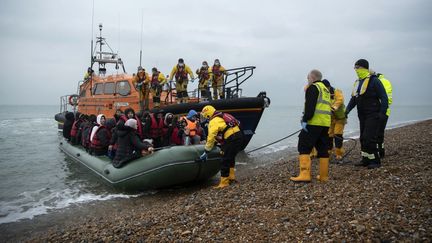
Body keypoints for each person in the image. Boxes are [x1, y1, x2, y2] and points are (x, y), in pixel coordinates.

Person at [345, 59, 388, 169]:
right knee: (363, 138)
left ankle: (375, 161)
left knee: (369, 137)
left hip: (373, 114)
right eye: (355, 68)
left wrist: (382, 113)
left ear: (364, 68)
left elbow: (384, 97)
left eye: (357, 67)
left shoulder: (374, 81)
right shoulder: (358, 82)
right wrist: (346, 111)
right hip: (362, 115)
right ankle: (365, 159)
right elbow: (353, 99)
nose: (356, 70)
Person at [290, 69, 331, 183]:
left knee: (303, 145)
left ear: (312, 78)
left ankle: (304, 174)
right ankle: (324, 176)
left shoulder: (313, 88)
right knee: (322, 148)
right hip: (325, 123)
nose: (307, 80)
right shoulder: (325, 90)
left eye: (308, 78)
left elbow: (310, 107)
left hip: (314, 122)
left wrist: (305, 119)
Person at [200, 105, 243, 189]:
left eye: (205, 116)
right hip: (239, 136)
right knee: (231, 157)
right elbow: (238, 124)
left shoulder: (213, 121)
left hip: (231, 138)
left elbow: (211, 136)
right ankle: (231, 177)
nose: (205, 118)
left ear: (208, 115)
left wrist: (206, 150)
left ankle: (224, 182)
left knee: (224, 159)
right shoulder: (224, 115)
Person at [322, 79, 347, 160]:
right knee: (329, 135)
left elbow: (340, 100)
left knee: (337, 134)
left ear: (328, 86)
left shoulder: (337, 91)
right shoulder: (323, 94)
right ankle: (328, 152)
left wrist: (333, 108)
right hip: (330, 119)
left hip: (340, 118)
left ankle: (339, 153)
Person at [372, 71, 393, 158]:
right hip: (384, 111)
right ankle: (381, 152)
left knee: (377, 134)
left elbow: (385, 98)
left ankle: (379, 153)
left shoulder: (380, 81)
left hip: (381, 111)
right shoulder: (385, 81)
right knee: (379, 133)